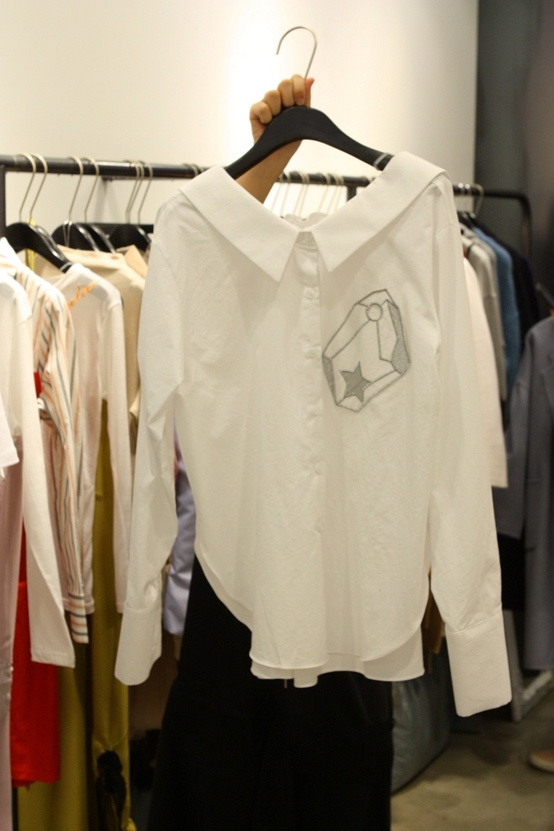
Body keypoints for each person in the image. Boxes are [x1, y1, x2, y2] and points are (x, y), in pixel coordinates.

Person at [145, 75, 395, 831]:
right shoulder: (206, 254)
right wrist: (265, 161)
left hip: (346, 615)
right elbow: (206, 256)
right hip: (236, 598)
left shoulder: (402, 252)